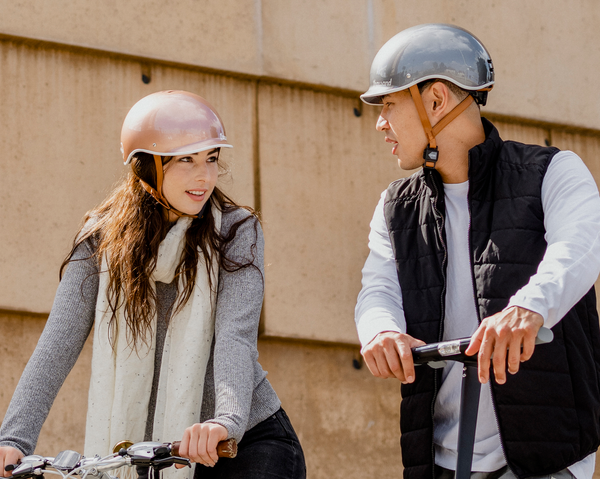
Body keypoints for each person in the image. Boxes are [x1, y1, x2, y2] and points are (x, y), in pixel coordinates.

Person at [0, 90, 306, 479]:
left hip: (241, 442)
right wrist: (13, 439)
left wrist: (225, 420)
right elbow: (58, 341)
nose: (204, 176)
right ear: (147, 168)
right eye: (186, 160)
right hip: (155, 454)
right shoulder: (101, 241)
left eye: (211, 158)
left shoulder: (235, 230)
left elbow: (236, 336)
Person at [355, 24, 600, 479]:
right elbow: (378, 288)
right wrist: (379, 331)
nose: (380, 122)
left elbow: (580, 246)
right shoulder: (394, 207)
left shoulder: (553, 171)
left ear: (436, 100)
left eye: (389, 104)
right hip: (442, 459)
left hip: (546, 457)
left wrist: (530, 306)